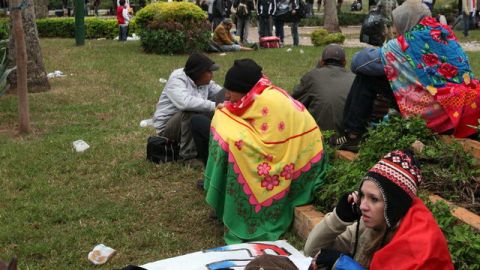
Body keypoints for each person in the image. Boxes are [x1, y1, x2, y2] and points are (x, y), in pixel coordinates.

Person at [204, 59, 326, 243]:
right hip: (279, 147)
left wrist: (238, 144)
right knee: (224, 122)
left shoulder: (268, 100)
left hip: (292, 157)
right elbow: (244, 116)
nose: (227, 95)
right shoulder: (257, 93)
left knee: (234, 146)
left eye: (230, 90)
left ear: (244, 89)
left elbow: (272, 149)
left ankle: (247, 213)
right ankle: (225, 199)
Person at [336, 0, 480, 151]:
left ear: (406, 21)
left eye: (395, 23)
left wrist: (382, 48)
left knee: (366, 77)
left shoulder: (404, 44)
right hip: (465, 109)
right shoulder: (445, 34)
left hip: (438, 113)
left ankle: (352, 136)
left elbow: (358, 63)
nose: (393, 29)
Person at [304, 150, 454, 269]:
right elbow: (311, 251)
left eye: (374, 199)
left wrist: (344, 265)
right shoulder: (371, 223)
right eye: (362, 195)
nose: (362, 205)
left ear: (394, 205)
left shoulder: (420, 244)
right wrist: (338, 217)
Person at [152, 53, 222, 161]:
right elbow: (185, 103)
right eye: (209, 71)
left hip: (185, 125)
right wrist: (215, 105)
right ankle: (188, 157)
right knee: (191, 111)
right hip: (167, 129)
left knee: (218, 109)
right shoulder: (177, 79)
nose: (212, 74)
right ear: (198, 73)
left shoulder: (204, 81)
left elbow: (222, 94)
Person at [292, 44, 355, 135]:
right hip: (349, 139)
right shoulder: (354, 78)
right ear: (344, 62)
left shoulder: (312, 76)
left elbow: (293, 102)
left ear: (321, 62)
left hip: (321, 139)